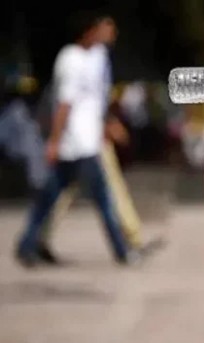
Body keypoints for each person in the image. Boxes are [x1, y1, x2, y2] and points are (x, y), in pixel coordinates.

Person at [34, 15, 158, 265]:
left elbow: (98, 98)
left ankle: (130, 239)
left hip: (93, 136)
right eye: (105, 28)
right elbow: (64, 104)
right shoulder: (71, 58)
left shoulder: (100, 57)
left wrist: (107, 123)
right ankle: (37, 238)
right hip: (76, 141)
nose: (111, 33)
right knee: (72, 193)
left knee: (106, 189)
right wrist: (56, 140)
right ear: (90, 30)